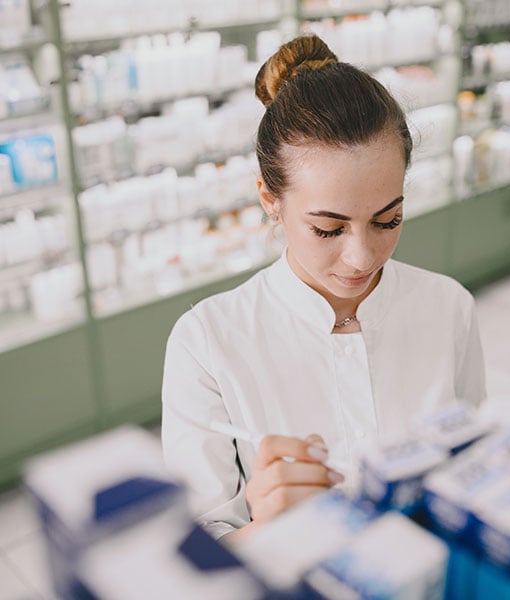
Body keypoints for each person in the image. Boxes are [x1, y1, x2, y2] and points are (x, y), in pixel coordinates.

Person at [161, 35, 486, 543]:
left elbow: (475, 473)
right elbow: (193, 555)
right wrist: (265, 524)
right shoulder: (207, 342)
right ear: (270, 199)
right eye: (329, 229)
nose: (361, 257)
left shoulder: (448, 308)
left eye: (388, 219)